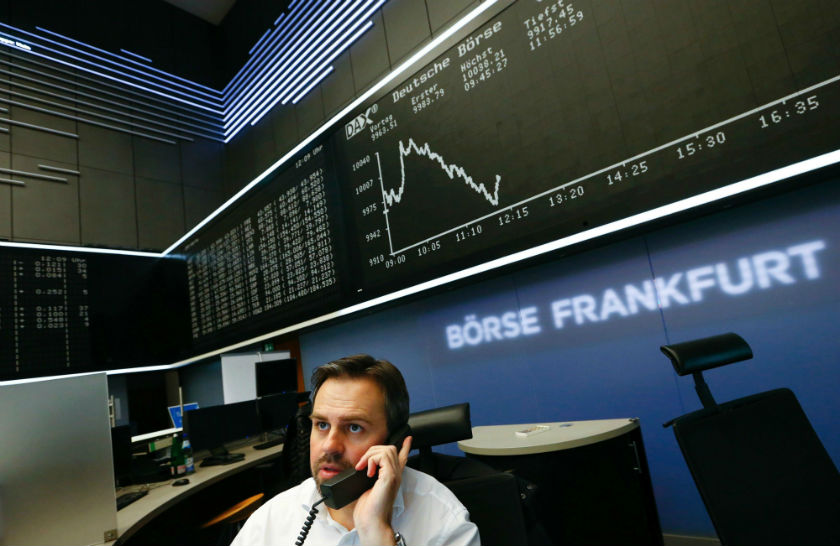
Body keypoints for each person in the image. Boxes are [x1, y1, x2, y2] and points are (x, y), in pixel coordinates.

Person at [231, 354, 480, 546]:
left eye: (354, 428)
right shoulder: (270, 522)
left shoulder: (443, 519)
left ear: (394, 441)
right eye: (322, 424)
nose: (329, 446)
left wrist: (377, 532)